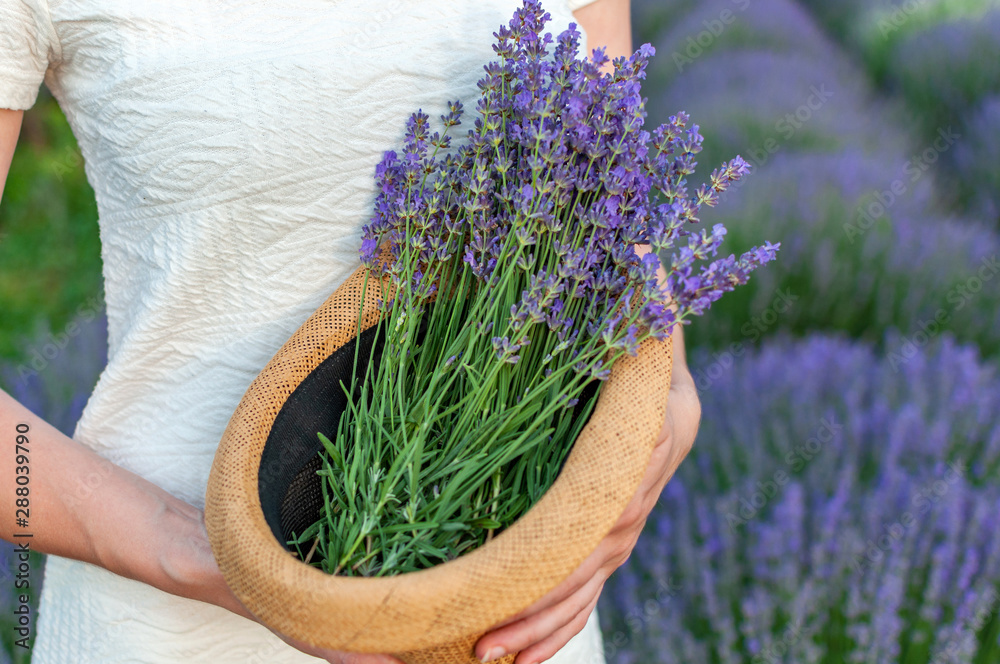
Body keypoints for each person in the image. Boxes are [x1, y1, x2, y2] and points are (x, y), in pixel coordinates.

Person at [0, 0, 702, 661]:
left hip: (506, 610)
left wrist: (660, 414)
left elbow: (612, 209)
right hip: (178, 625)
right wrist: (211, 555)